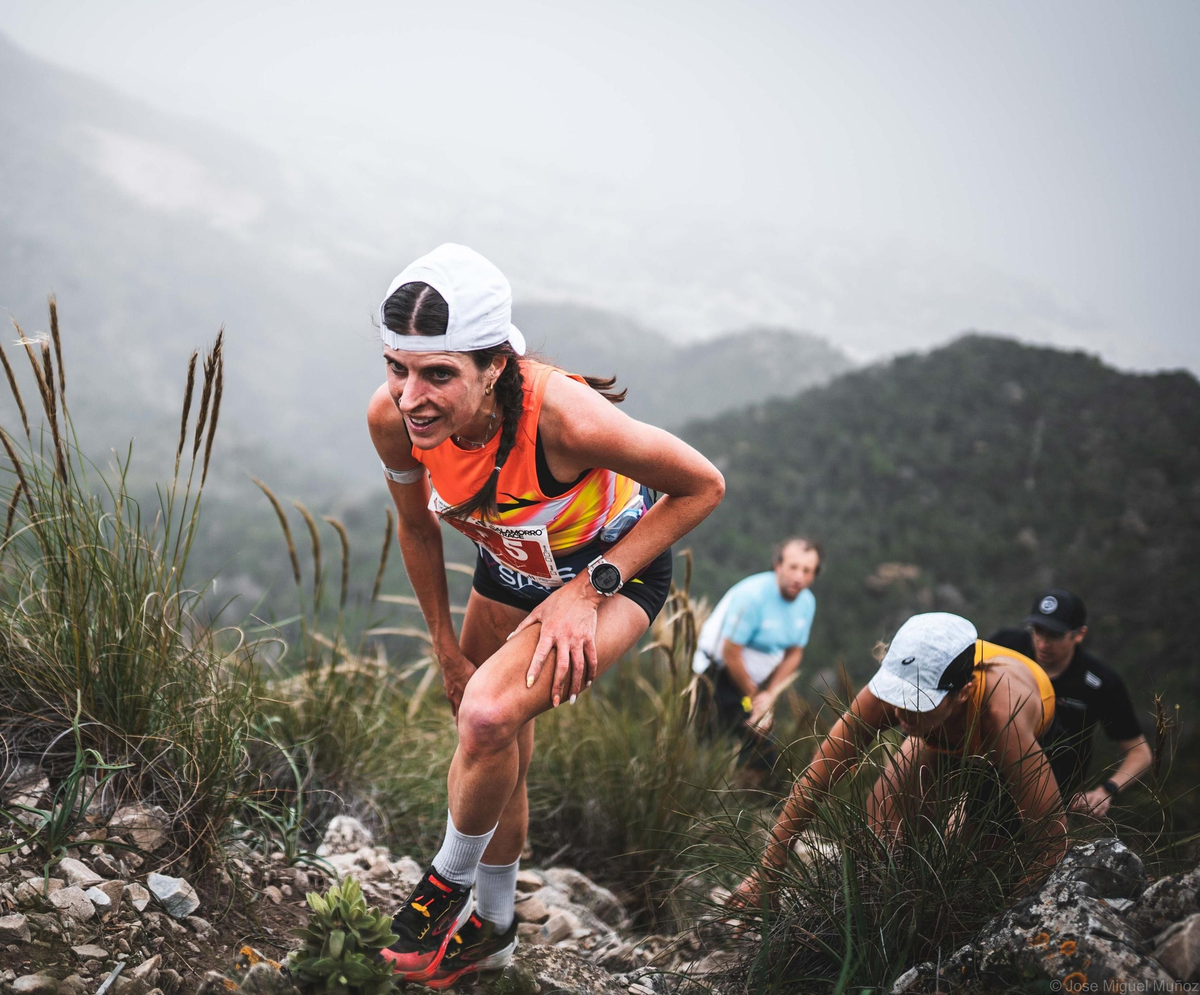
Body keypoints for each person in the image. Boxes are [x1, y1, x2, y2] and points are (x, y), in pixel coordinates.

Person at [367, 243, 725, 987]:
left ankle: (447, 886)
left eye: (438, 375)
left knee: (489, 719)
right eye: (397, 368)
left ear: (494, 366)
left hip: (612, 571)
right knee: (501, 749)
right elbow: (415, 526)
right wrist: (441, 641)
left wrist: (589, 587)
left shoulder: (564, 420)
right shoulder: (392, 419)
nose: (411, 397)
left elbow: (702, 487)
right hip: (508, 573)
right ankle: (494, 934)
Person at [732, 612, 1067, 906]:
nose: (900, 711)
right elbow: (816, 778)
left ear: (962, 692)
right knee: (882, 834)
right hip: (940, 734)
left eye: (918, 700)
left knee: (982, 861)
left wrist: (1014, 918)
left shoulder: (1002, 713)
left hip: (1012, 737)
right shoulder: (893, 698)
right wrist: (766, 877)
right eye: (898, 693)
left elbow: (1052, 838)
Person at [991, 589, 1152, 817]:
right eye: (1038, 631)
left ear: (1079, 634)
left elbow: (1140, 753)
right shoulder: (1006, 648)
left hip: (1055, 800)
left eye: (1054, 635)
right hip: (990, 784)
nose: (1043, 643)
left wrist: (1107, 790)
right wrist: (961, 800)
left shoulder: (1098, 682)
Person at [692, 539, 821, 757]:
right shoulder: (751, 596)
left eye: (807, 571)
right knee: (717, 746)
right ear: (778, 566)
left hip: (758, 686)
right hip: (717, 677)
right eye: (793, 567)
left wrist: (769, 694)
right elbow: (731, 653)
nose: (799, 577)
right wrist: (755, 699)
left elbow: (794, 652)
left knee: (758, 751)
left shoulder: (806, 602)